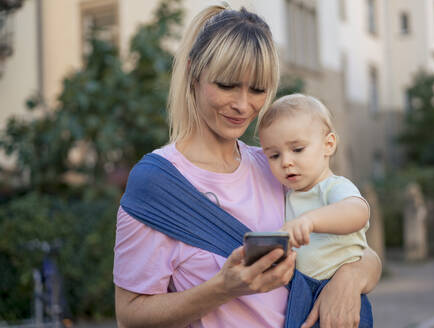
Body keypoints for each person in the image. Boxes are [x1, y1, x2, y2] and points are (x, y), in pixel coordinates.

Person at [113, 4, 381, 328]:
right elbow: (129, 314)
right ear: (193, 73)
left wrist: (349, 277)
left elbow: (358, 251)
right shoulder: (157, 183)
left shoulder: (275, 165)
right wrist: (222, 289)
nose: (243, 105)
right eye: (226, 85)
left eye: (257, 90)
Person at [258, 94, 370, 281]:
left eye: (298, 149)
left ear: (328, 145)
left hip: (334, 284)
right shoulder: (285, 195)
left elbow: (358, 212)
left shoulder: (332, 187)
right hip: (301, 289)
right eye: (274, 155)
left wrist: (310, 221)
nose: (286, 162)